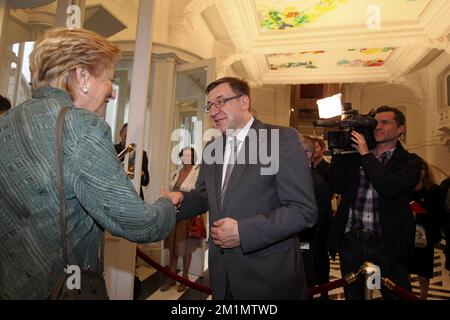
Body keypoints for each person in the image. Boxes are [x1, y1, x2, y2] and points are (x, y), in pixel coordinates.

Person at [0, 28, 176, 300]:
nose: (113, 93)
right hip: (59, 288)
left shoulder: (8, 122)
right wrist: (168, 204)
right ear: (82, 77)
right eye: (110, 79)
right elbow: (141, 224)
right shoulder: (82, 127)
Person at [166, 77, 317, 300]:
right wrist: (181, 199)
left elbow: (303, 211)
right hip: (222, 275)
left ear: (244, 102)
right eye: (209, 105)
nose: (213, 111)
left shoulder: (280, 140)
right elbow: (206, 197)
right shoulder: (212, 148)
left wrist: (244, 232)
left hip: (268, 278)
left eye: (220, 102)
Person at [328, 105, 423, 300]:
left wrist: (366, 155)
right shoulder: (355, 157)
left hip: (387, 245)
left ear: (401, 129)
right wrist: (338, 153)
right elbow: (337, 185)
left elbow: (389, 187)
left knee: (397, 296)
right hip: (352, 242)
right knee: (353, 296)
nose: (378, 127)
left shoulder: (410, 161)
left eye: (385, 122)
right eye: (375, 123)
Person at [161, 147, 202, 292]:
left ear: (192, 157)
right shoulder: (175, 173)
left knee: (186, 249)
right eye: (183, 154)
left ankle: (184, 278)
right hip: (174, 215)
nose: (185, 157)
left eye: (188, 155)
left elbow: (198, 195)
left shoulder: (197, 173)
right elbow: (171, 190)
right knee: (172, 248)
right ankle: (172, 277)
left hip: (188, 216)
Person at [298, 134, 333, 299]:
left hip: (306, 254)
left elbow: (313, 225)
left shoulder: (316, 183)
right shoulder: (296, 179)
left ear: (306, 154)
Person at [407, 161, 443, 300]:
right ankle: (407, 293)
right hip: (409, 233)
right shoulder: (407, 189)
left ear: (425, 171)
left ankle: (423, 296)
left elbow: (437, 213)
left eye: (420, 169)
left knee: (424, 269)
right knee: (407, 266)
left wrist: (419, 211)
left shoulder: (434, 190)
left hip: (426, 235)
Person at [115, 123, 150, 200]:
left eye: (132, 136)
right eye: (126, 135)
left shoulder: (142, 154)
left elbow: (146, 181)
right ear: (121, 134)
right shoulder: (112, 149)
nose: (128, 139)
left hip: (135, 195)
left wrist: (139, 171)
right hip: (116, 194)